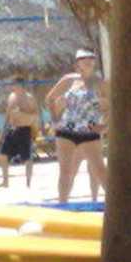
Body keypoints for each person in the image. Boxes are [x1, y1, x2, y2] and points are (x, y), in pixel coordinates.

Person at [45, 48, 109, 204]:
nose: (87, 60)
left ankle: (116, 205)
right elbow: (49, 99)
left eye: (91, 57)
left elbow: (112, 106)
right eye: (83, 58)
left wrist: (104, 126)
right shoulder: (68, 80)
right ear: (77, 62)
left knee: (100, 170)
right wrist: (55, 120)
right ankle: (62, 205)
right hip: (66, 131)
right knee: (66, 172)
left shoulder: (100, 83)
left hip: (89, 132)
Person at [0, 77, 40, 189]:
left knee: (26, 157)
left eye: (14, 84)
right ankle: (5, 181)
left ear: (20, 85)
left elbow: (36, 114)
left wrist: (22, 114)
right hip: (12, 129)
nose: (12, 86)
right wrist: (3, 129)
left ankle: (28, 182)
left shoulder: (29, 98)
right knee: (2, 155)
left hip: (24, 129)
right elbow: (8, 113)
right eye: (12, 84)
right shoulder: (11, 96)